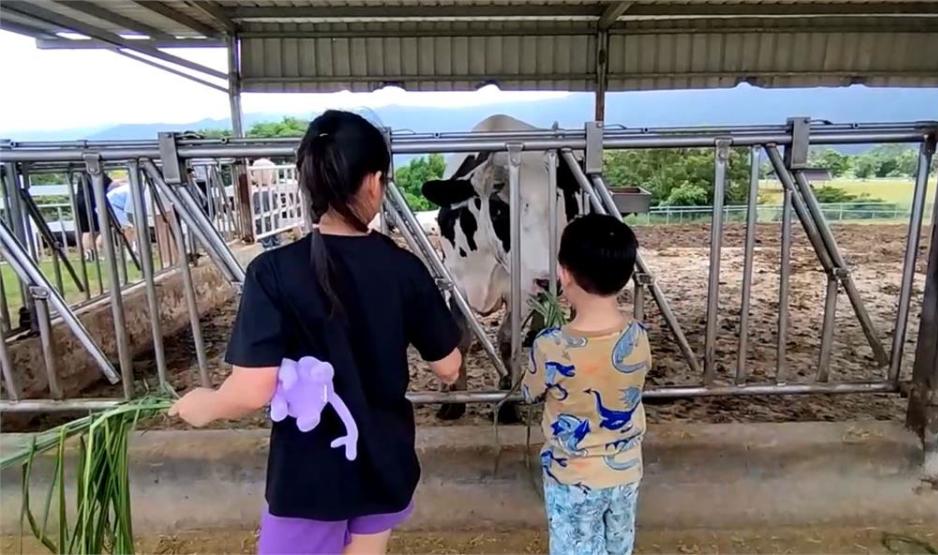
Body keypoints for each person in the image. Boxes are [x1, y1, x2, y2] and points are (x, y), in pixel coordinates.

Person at [168, 110, 462, 555]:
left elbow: (252, 389)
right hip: (385, 461)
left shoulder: (272, 272)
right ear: (374, 182)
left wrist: (204, 405)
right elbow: (448, 367)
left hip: (309, 476)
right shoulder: (404, 268)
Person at [522, 214, 651, 555]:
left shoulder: (552, 345)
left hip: (573, 477)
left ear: (564, 274)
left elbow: (528, 391)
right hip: (625, 472)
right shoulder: (638, 336)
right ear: (625, 277)